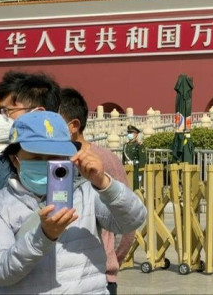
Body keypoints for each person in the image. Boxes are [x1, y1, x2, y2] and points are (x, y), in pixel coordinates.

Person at [0, 111, 147, 294]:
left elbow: (133, 220)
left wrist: (104, 183)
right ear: (14, 159)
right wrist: (43, 236)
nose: (48, 164)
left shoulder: (86, 192)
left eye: (55, 157)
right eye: (37, 158)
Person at [58, 88, 135, 295]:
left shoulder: (104, 159)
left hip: (100, 277)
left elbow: (127, 221)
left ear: (73, 126)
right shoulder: (49, 159)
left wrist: (111, 260)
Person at [123, 125, 145, 190]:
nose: (129, 134)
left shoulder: (139, 146)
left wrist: (140, 174)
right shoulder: (125, 146)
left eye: (131, 133)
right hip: (127, 170)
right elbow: (123, 160)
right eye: (128, 133)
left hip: (135, 170)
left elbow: (142, 160)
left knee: (135, 189)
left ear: (135, 134)